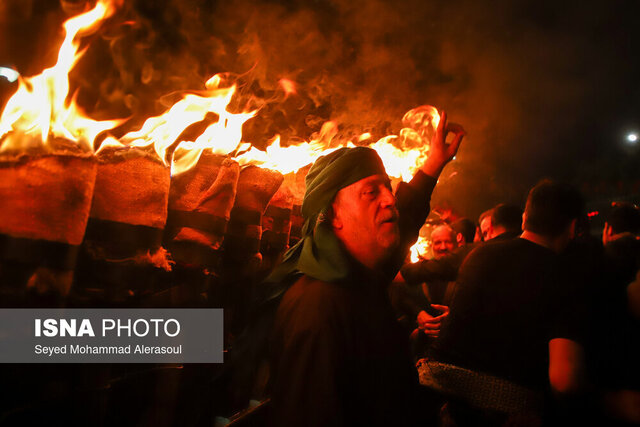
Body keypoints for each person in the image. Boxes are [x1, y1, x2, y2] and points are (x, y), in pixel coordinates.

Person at [266, 112, 465, 427]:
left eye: (388, 189)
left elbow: (406, 219)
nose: (390, 200)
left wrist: (433, 163)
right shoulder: (318, 308)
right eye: (372, 192)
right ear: (333, 217)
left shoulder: (361, 277)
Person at [428, 180, 587, 424]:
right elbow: (564, 381)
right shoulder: (566, 275)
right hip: (512, 414)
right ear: (573, 227)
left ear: (525, 218)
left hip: (451, 405)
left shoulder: (479, 254)